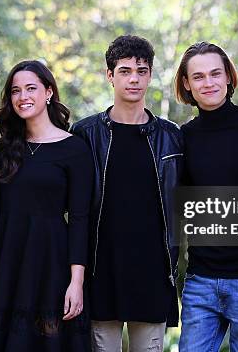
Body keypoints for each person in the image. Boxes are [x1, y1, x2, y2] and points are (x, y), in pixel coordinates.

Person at [71, 35, 183, 352]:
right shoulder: (85, 133)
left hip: (153, 273)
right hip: (100, 272)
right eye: (124, 71)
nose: (134, 78)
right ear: (110, 75)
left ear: (150, 75)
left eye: (141, 70)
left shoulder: (171, 136)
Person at [0, 60, 93, 351]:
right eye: (16, 91)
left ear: (48, 92)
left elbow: (81, 219)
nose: (23, 97)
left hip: (52, 265)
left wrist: (76, 281)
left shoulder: (75, 149)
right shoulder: (0, 149)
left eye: (31, 88)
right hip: (6, 263)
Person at [174, 41, 238, 351]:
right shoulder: (183, 137)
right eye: (198, 76)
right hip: (200, 281)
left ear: (228, 76)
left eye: (216, 73)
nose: (209, 82)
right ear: (187, 84)